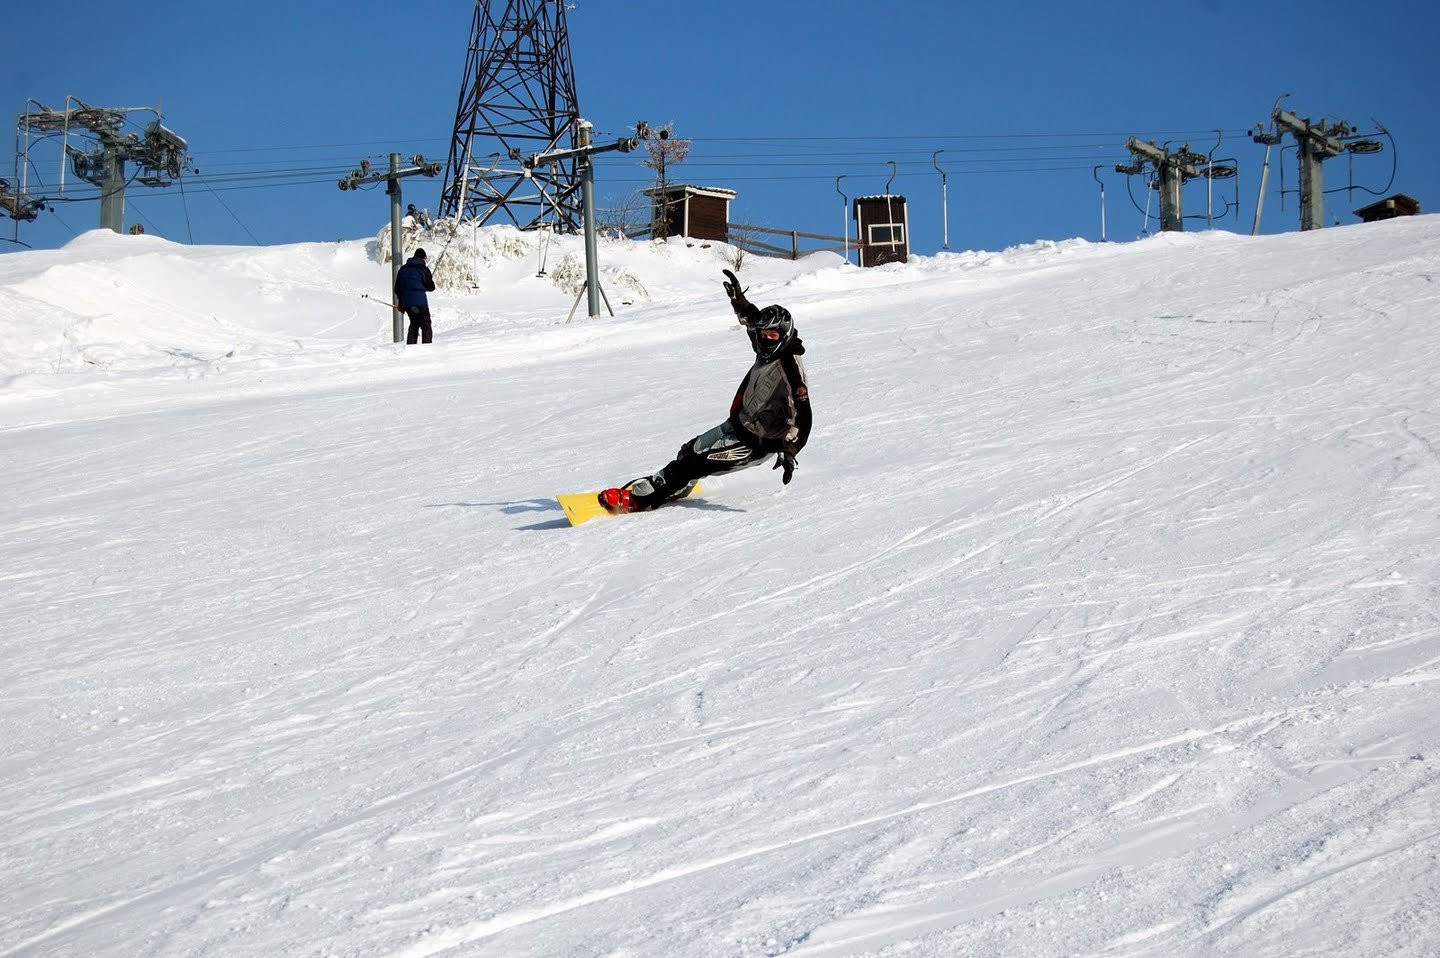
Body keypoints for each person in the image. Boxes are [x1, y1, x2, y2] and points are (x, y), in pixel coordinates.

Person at [598, 269, 812, 513]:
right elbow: (754, 321)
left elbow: (804, 416)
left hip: (759, 443)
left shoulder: (791, 370)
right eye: (764, 334)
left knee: (694, 464)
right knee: (689, 450)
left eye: (772, 335)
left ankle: (638, 499)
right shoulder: (768, 348)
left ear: (784, 336)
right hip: (740, 424)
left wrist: (789, 450)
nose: (766, 339)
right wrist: (739, 300)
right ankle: (675, 487)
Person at [394, 247, 437, 345]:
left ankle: (410, 348)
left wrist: (401, 304)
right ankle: (427, 348)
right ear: (423, 258)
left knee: (414, 324)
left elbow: (397, 289)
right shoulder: (423, 269)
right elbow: (431, 287)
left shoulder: (403, 269)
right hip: (420, 302)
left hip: (407, 303)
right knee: (426, 325)